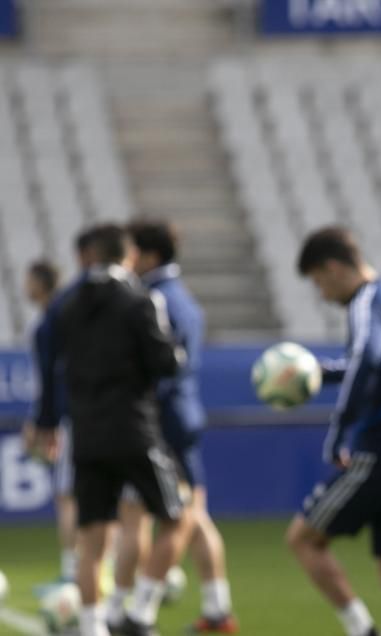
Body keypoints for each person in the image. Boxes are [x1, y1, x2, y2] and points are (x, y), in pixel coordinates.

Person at [31, 224, 194, 636]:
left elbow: (50, 367)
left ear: (89, 256)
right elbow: (166, 362)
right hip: (135, 431)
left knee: (92, 539)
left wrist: (48, 422)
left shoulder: (65, 304)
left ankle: (91, 627)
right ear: (130, 257)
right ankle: (139, 613)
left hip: (86, 435)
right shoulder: (141, 299)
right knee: (180, 515)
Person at [101, 219, 238, 633]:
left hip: (158, 424)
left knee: (144, 515)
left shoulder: (153, 299)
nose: (127, 260)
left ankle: (132, 611)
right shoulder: (181, 299)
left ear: (149, 256)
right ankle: (217, 607)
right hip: (182, 418)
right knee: (194, 515)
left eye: (132, 252)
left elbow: (160, 370)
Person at [284, 226, 381, 636]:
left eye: (319, 282)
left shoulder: (363, 304)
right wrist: (319, 372)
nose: (322, 294)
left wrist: (339, 434)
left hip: (377, 450)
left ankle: (362, 629)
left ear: (332, 268)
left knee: (302, 539)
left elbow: (367, 360)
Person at [22, 229, 97, 592]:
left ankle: (72, 572)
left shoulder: (48, 324)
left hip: (72, 416)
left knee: (67, 495)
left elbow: (51, 377)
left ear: (40, 283)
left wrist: (42, 424)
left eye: (28, 280)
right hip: (96, 412)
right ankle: (99, 567)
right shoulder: (75, 314)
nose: (24, 287)